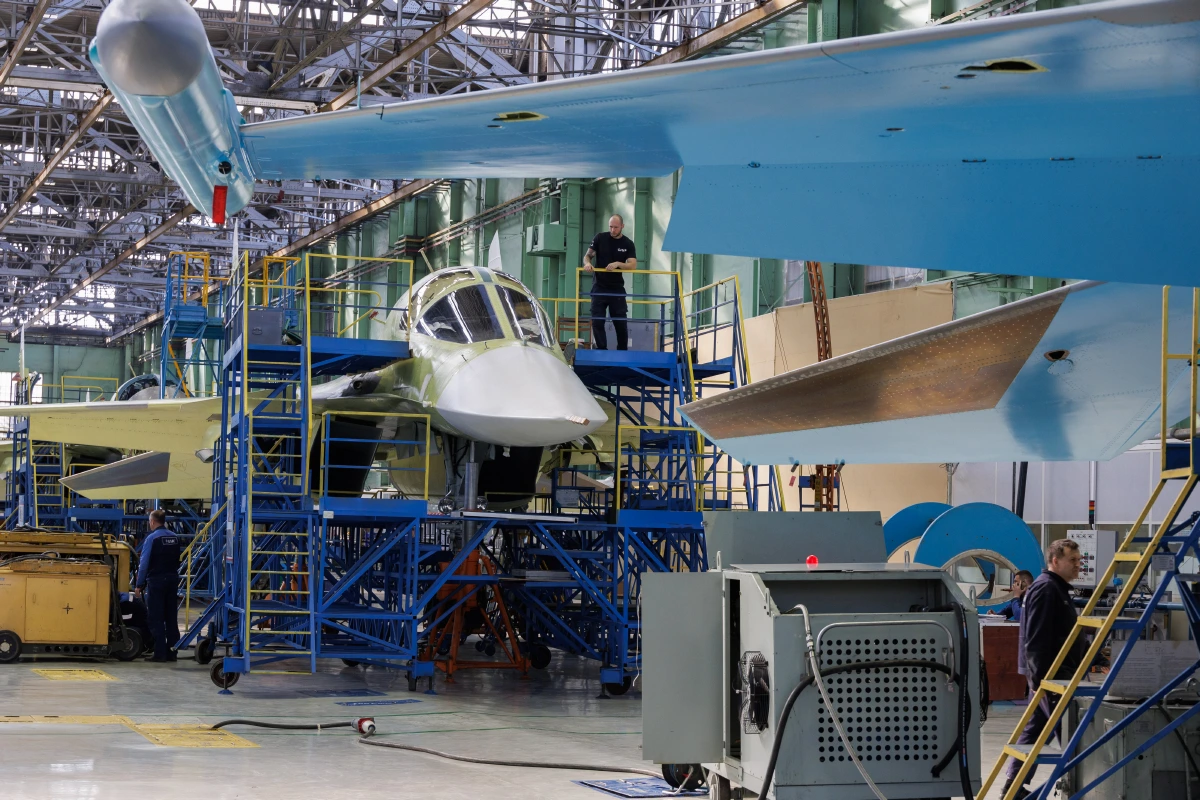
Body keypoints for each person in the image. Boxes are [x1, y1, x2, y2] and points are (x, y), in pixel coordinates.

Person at [1003, 540, 1083, 800]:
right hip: (1051, 678)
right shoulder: (1047, 590)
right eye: (1073, 560)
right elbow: (1035, 640)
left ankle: (1013, 787)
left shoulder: (1054, 589)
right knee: (1071, 735)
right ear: (1055, 561)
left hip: (1050, 677)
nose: (1078, 565)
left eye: (1079, 560)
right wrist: (1039, 681)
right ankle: (1080, 784)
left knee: (1034, 733)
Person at [583, 214, 637, 351]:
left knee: (620, 322)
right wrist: (587, 263)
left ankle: (622, 351)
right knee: (597, 320)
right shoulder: (600, 238)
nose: (613, 230)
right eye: (611, 227)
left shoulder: (628, 244)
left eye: (616, 227)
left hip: (616, 288)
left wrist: (618, 264)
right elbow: (588, 255)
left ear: (622, 227)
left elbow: (632, 265)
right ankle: (601, 349)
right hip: (599, 286)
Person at [136, 509, 182, 663]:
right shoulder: (175, 538)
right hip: (172, 580)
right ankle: (172, 652)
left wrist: (139, 584)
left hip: (156, 581)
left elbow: (144, 563)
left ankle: (159, 653)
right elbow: (178, 560)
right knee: (171, 617)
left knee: (156, 617)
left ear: (153, 522)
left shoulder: (152, 538)